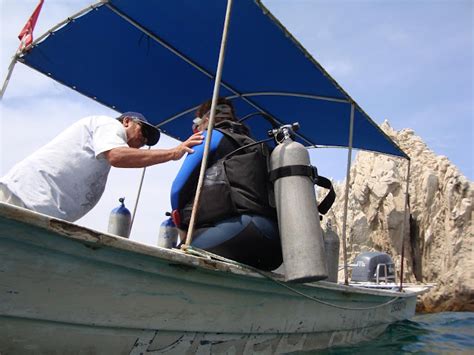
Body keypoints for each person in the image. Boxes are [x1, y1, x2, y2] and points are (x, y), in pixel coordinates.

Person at [0, 112, 203, 222]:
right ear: (126, 121)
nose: (144, 140)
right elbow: (118, 156)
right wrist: (173, 153)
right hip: (22, 200)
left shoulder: (105, 145)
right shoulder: (108, 125)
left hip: (41, 213)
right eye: (143, 131)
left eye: (147, 140)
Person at [170, 98, 282, 271]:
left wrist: (179, 222)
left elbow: (178, 188)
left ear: (204, 121)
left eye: (195, 126)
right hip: (275, 244)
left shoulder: (210, 136)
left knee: (173, 263)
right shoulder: (260, 148)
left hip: (236, 230)